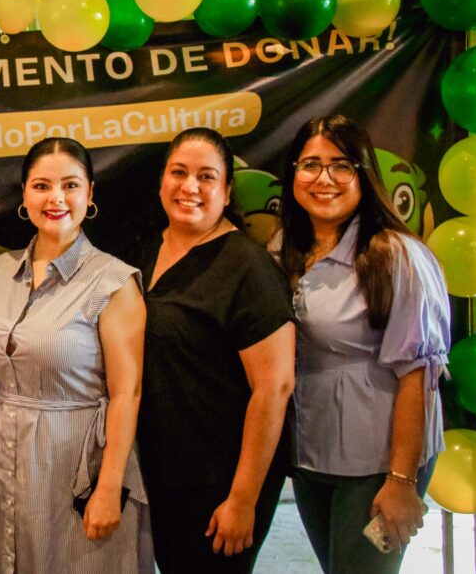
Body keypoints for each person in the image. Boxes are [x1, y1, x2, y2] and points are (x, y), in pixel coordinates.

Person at [275, 115, 450, 573]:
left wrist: (400, 481)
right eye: (310, 164)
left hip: (378, 466)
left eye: (341, 165)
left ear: (363, 174)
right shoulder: (286, 251)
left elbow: (418, 376)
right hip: (314, 461)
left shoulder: (397, 256)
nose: (324, 178)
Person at [0, 137, 152, 574]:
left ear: (90, 194)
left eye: (70, 185)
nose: (56, 199)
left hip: (77, 466)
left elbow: (127, 394)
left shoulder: (113, 281)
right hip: (4, 465)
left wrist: (109, 488)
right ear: (24, 196)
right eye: (42, 186)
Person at [136, 127, 295, 574]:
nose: (190, 187)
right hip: (163, 476)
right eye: (178, 173)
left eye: (206, 177)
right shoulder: (150, 250)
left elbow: (275, 389)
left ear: (227, 192)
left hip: (220, 485)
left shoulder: (248, 268)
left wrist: (242, 500)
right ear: (162, 182)